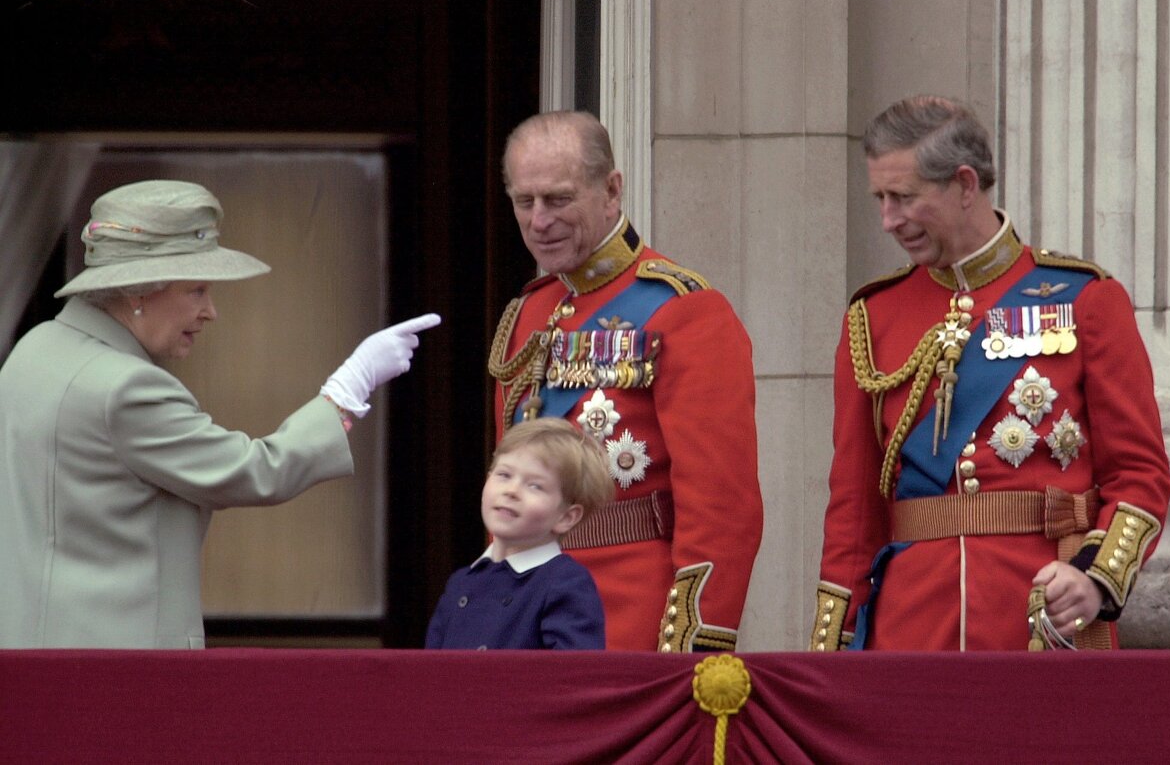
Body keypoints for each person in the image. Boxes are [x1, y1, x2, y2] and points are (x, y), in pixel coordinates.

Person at [0, 179, 440, 649]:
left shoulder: (35, 349)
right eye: (197, 290)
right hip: (117, 672)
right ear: (138, 292)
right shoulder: (125, 388)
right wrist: (347, 391)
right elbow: (257, 471)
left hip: (30, 657)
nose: (211, 311)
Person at [810, 95, 1170, 652]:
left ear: (963, 184)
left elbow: (1140, 474)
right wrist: (831, 653)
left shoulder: (1087, 299)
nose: (888, 220)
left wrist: (1096, 577)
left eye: (903, 198)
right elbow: (853, 515)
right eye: (880, 198)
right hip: (909, 632)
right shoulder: (873, 318)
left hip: (1040, 621)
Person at [488, 111, 763, 652]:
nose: (539, 221)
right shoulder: (528, 313)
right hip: (523, 617)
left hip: (627, 621)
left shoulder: (684, 310)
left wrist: (690, 646)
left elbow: (721, 508)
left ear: (612, 190)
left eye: (559, 199)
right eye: (526, 202)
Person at [425, 417, 609, 650]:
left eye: (535, 486)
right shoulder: (461, 582)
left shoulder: (566, 582)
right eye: (504, 475)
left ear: (566, 517)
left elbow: (574, 678)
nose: (511, 491)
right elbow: (429, 672)